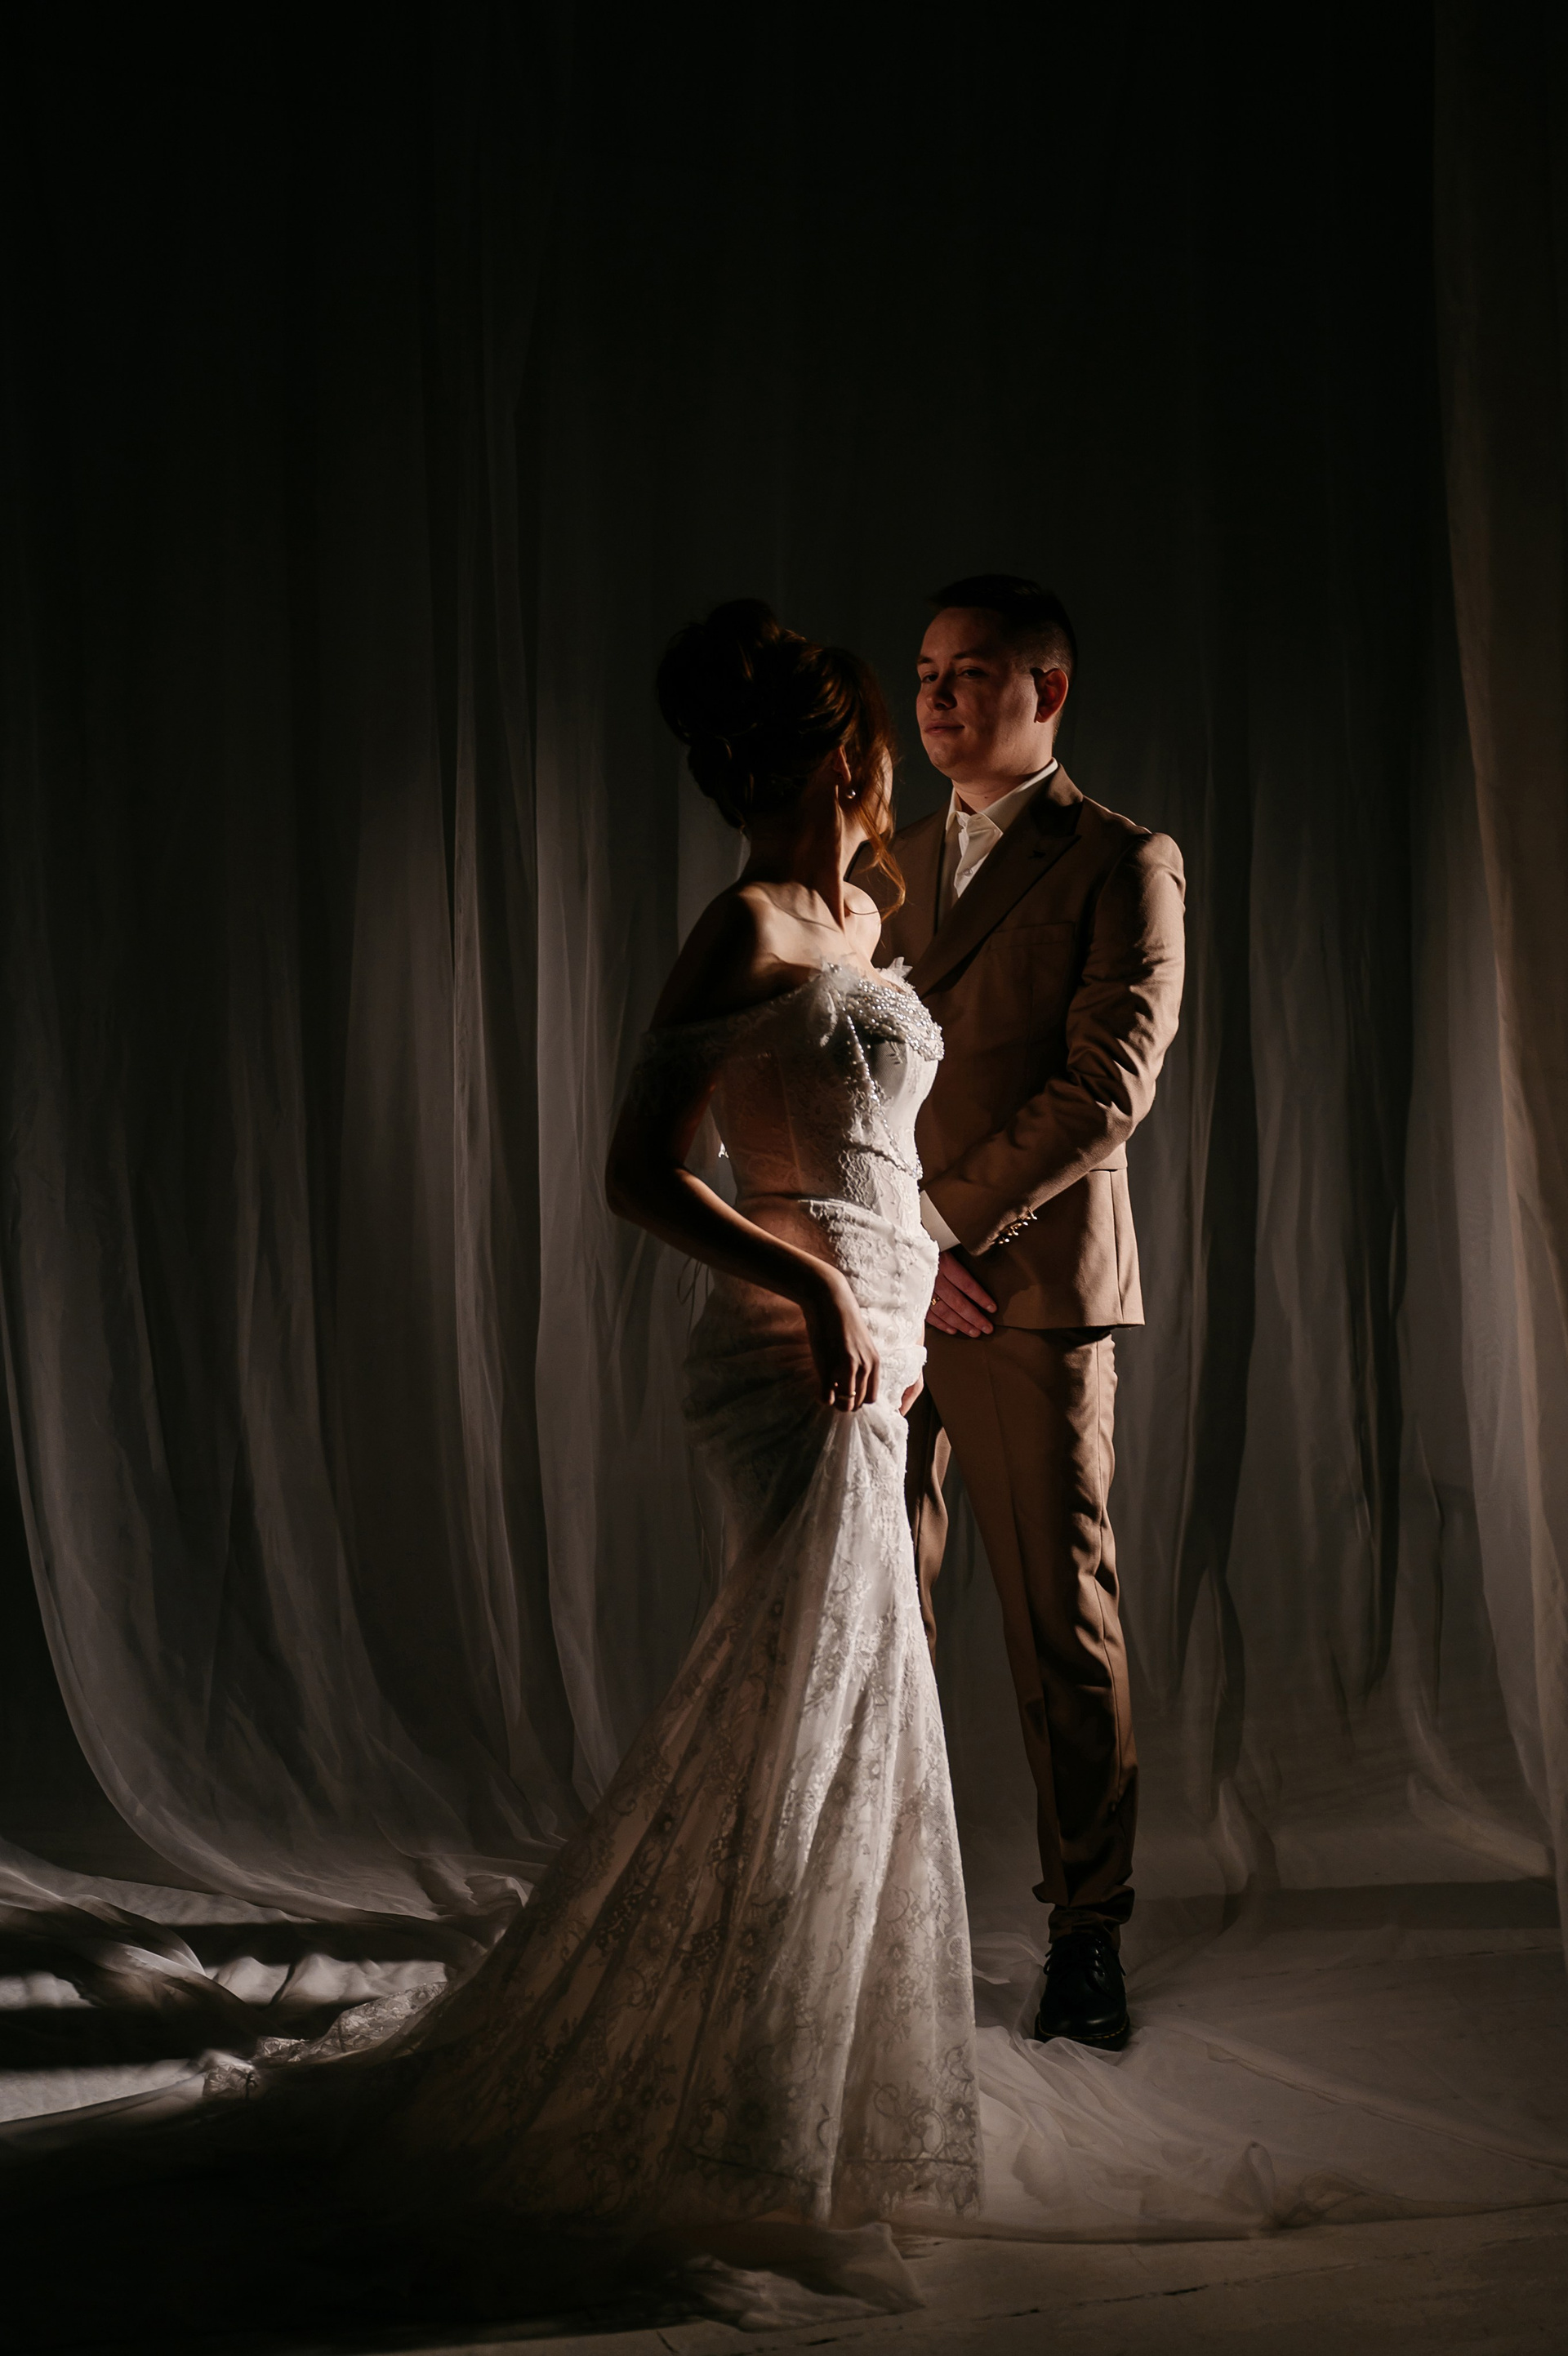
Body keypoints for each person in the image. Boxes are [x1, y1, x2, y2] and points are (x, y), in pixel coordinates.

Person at [867, 574, 1185, 2053]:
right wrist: (888, 1242)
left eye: (970, 672)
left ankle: (1087, 1930)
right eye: (924, 672)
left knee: (1061, 1617)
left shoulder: (1123, 859)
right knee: (875, 1601)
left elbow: (1107, 1084)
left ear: (1047, 690)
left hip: (1027, 1290)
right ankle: (877, 1911)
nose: (934, 698)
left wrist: (943, 1225)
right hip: (882, 1285)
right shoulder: (884, 859)